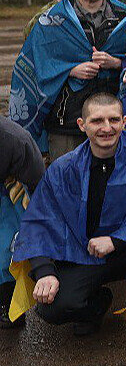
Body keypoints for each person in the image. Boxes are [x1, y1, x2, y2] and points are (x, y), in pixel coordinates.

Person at [10, 93, 126, 347]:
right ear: (82, 125)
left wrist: (117, 239)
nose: (107, 128)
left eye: (113, 120)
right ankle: (95, 305)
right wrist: (45, 272)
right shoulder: (63, 168)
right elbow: (40, 220)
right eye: (97, 121)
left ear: (124, 121)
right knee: (51, 308)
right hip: (83, 254)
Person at [10, 0, 126, 157]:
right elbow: (36, 59)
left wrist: (116, 63)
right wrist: (70, 70)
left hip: (111, 123)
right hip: (66, 123)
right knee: (65, 175)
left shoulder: (125, 18)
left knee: (109, 175)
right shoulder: (55, 19)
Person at [0, 116, 45, 328]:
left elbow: (38, 182)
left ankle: (8, 306)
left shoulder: (14, 138)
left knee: (5, 250)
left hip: (9, 192)